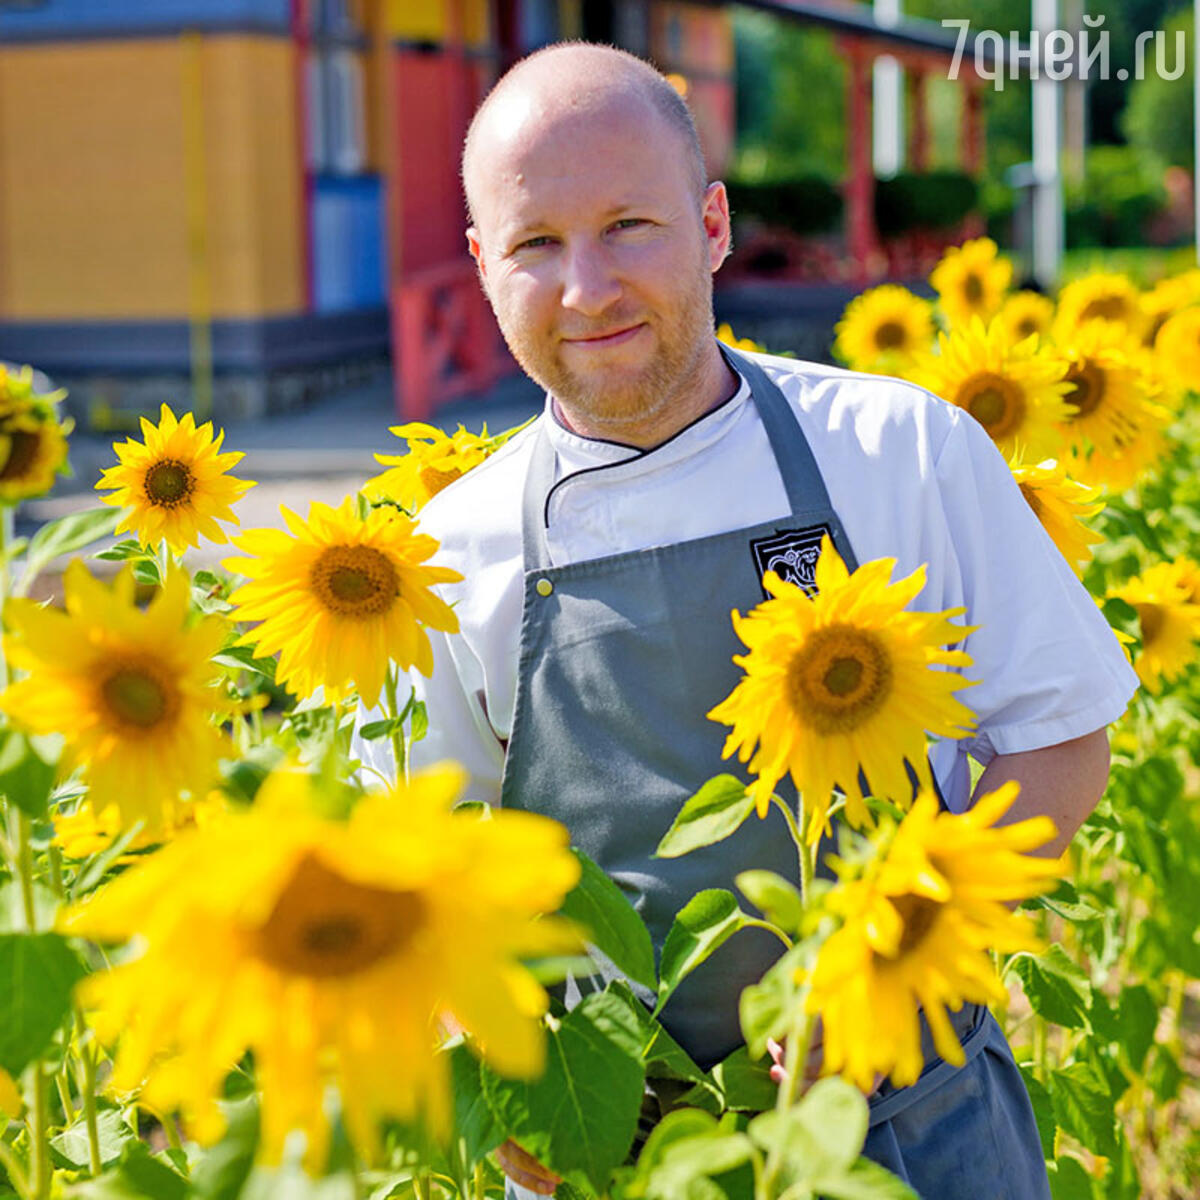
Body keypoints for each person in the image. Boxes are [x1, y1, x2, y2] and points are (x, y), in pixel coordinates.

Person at [353, 42, 1137, 1199]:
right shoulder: (446, 558)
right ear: (480, 264)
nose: (587, 289)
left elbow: (1059, 738)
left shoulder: (897, 452)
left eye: (631, 225)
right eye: (535, 245)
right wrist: (502, 1082)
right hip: (609, 1157)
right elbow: (421, 877)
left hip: (914, 1118)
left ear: (713, 224)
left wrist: (892, 964)